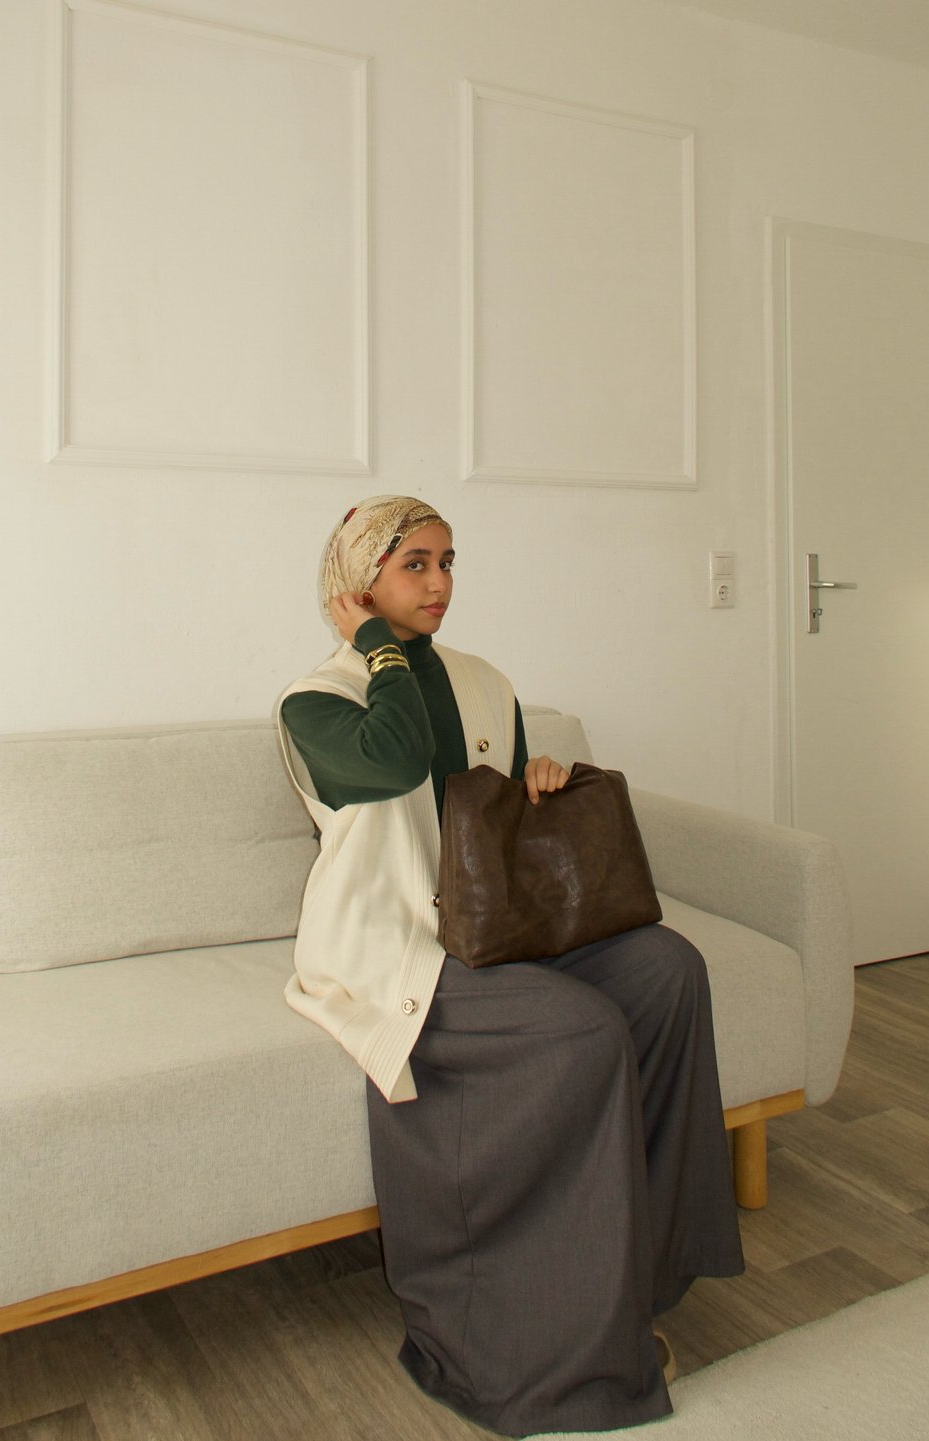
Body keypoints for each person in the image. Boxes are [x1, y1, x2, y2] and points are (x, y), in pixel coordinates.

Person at [277, 495, 744, 1437]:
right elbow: (398, 754)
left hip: (501, 933)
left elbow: (505, 827)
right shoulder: (316, 703)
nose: (442, 583)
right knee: (582, 1030)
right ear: (358, 583)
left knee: (668, 971)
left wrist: (543, 784)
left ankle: (639, 1279)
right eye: (415, 564)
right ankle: (545, 1335)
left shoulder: (488, 681)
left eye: (450, 561)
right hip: (397, 947)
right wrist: (379, 644)